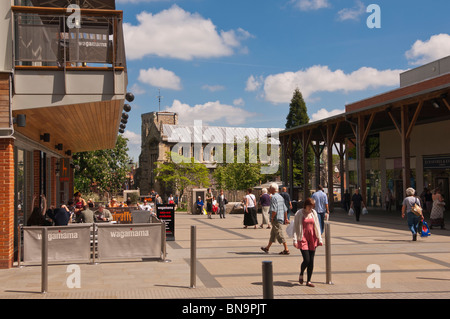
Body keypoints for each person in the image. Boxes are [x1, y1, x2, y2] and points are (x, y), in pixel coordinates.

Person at [293, 198, 323, 287]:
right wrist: (295, 240)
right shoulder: (299, 213)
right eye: (309, 206)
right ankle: (301, 273)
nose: (311, 208)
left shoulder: (314, 213)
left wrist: (320, 239)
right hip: (303, 238)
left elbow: (317, 225)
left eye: (312, 206)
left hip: (313, 238)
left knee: (311, 261)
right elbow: (295, 227)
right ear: (305, 205)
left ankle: (309, 281)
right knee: (307, 260)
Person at [261, 183, 290, 255]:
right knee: (273, 234)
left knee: (279, 233)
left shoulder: (273, 197)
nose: (269, 189)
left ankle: (286, 249)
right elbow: (285, 209)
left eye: (270, 188)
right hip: (281, 217)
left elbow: (274, 210)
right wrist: (286, 218)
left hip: (276, 218)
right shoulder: (280, 197)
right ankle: (267, 247)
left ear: (273, 189)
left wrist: (272, 218)